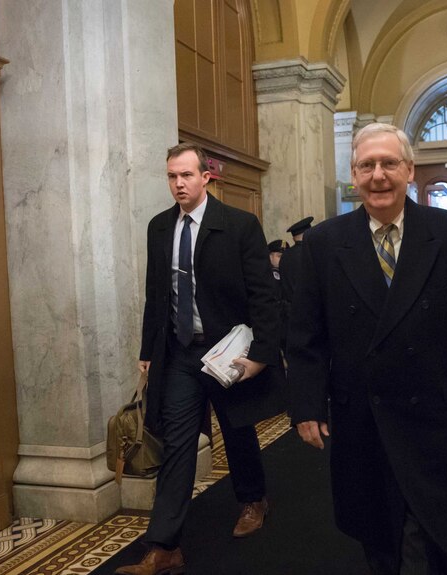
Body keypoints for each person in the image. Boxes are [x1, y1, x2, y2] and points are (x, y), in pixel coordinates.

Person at [287, 123, 447, 574]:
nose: (378, 175)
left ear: (410, 170)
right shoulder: (323, 243)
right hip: (360, 412)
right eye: (367, 165)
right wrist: (306, 405)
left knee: (431, 523)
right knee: (376, 525)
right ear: (354, 173)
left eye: (389, 164)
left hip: (431, 410)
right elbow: (306, 334)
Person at [117, 142, 285, 575]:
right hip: (180, 355)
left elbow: (264, 297)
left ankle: (252, 499)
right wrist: (146, 353)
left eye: (186, 175)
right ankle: (164, 545)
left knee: (238, 430)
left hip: (228, 353)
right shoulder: (159, 228)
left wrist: (263, 355)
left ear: (205, 177)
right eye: (172, 176)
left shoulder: (238, 225)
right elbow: (157, 295)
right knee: (177, 444)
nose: (178, 184)